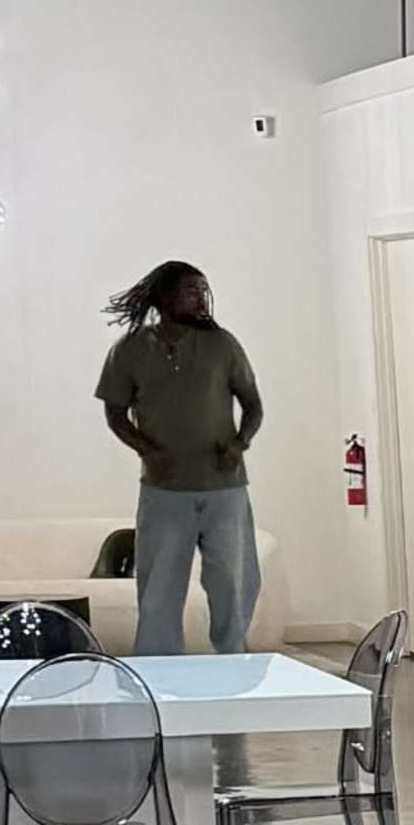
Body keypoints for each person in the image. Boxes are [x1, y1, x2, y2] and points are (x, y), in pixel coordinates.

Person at [96, 258, 263, 659]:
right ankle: (159, 666)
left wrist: (240, 443)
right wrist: (147, 450)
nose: (200, 298)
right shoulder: (130, 350)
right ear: (164, 297)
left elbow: (253, 405)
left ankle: (233, 658)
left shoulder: (223, 345)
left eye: (203, 290)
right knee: (159, 587)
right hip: (164, 491)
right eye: (190, 291)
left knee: (233, 581)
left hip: (224, 489)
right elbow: (115, 414)